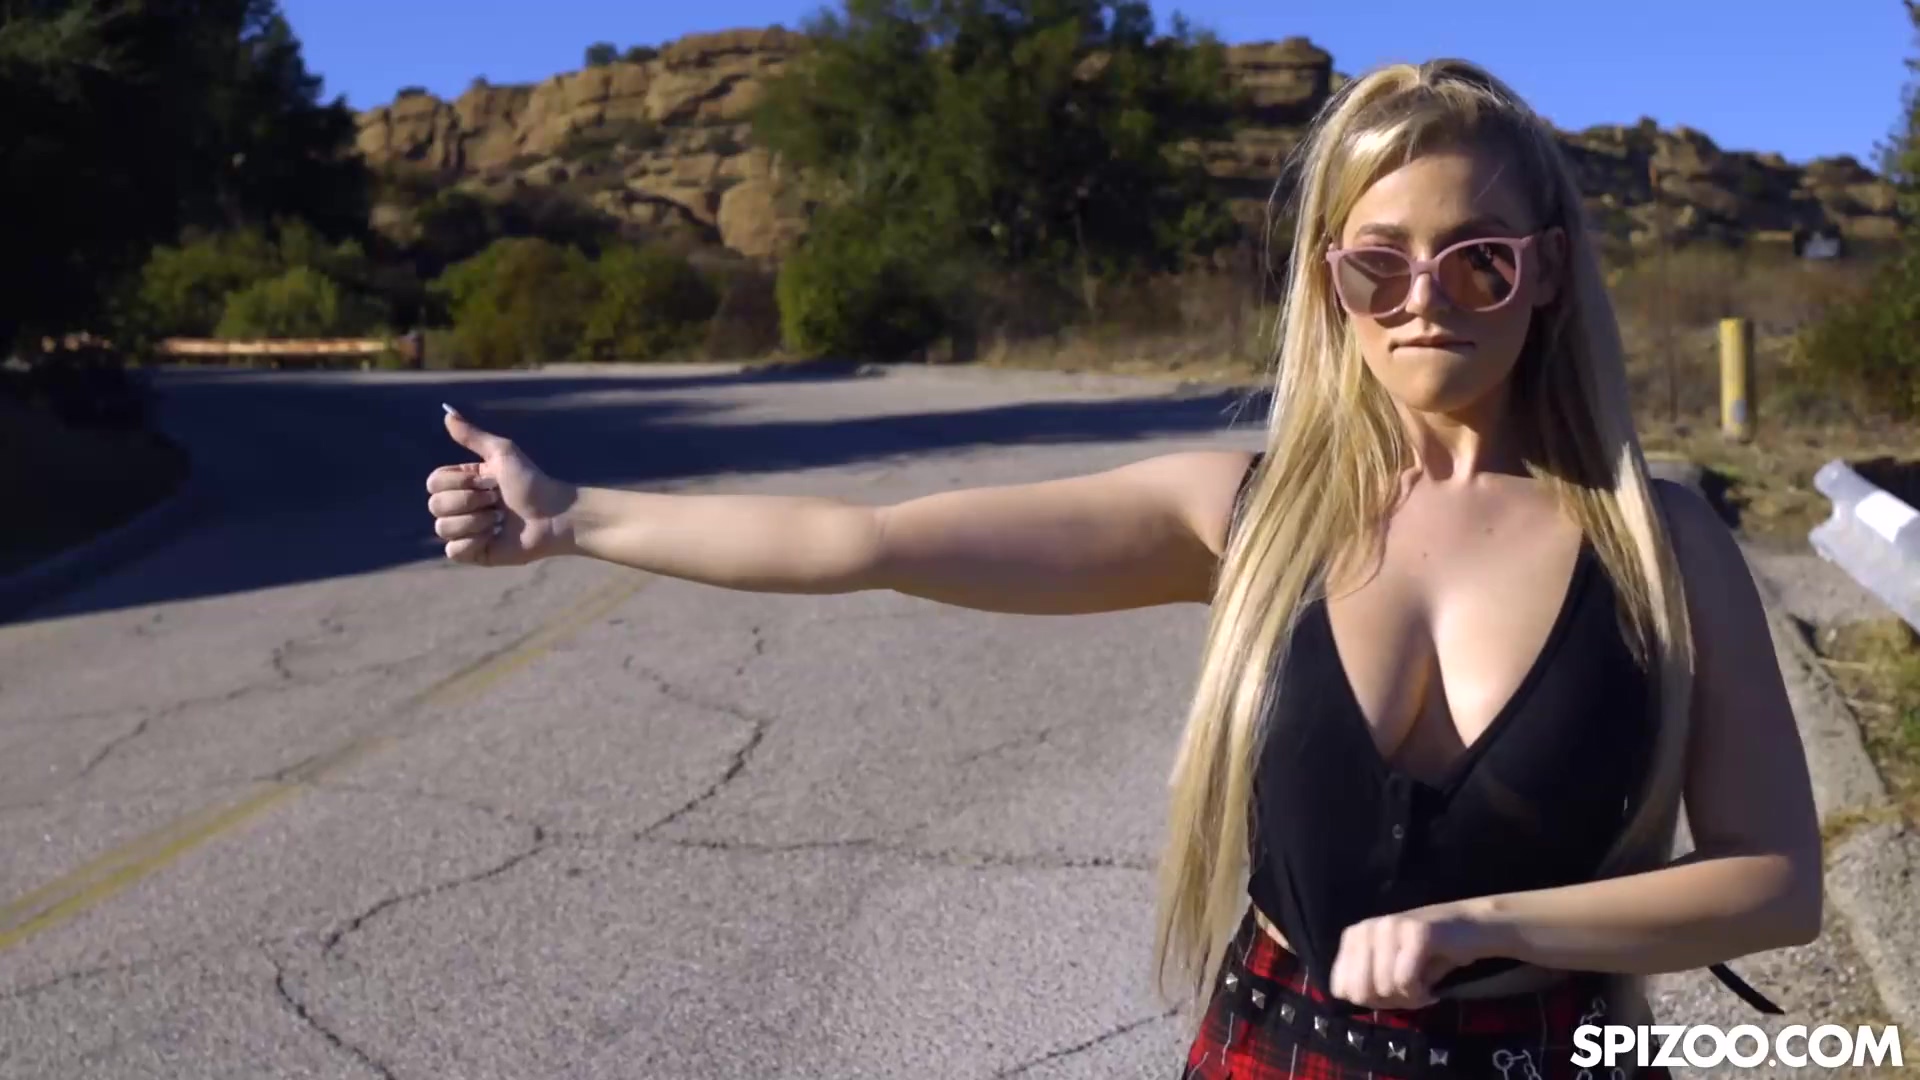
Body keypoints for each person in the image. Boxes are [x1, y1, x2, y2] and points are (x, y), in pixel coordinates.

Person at [423, 57, 1821, 1080]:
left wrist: (1486, 925)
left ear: (1550, 272)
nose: (1421, 302)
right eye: (1377, 266)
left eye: (1477, 264)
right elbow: (869, 543)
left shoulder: (1661, 545)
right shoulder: (1248, 516)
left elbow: (1775, 881)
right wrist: (571, 517)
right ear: (1327, 284)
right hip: (1275, 1050)